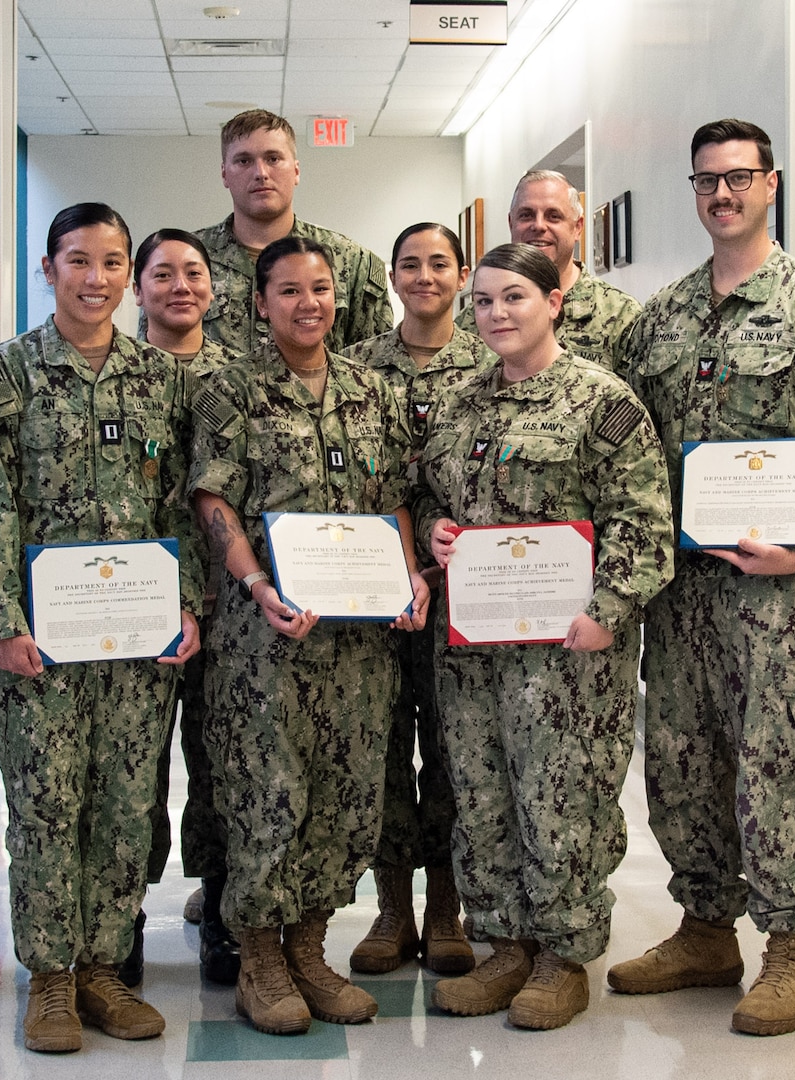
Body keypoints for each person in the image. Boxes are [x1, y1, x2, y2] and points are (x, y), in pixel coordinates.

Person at [608, 120, 795, 1037]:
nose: (722, 195)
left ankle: (791, 952)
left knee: (778, 755)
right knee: (683, 755)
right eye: (706, 182)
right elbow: (631, 452)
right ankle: (705, 927)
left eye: (738, 178)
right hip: (684, 587)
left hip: (779, 591)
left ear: (770, 183)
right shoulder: (663, 319)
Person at [0, 203, 205, 1053]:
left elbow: (181, 505)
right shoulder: (2, 376)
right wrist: (1, 623)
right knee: (49, 807)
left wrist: (187, 605)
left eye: (111, 263)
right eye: (78, 261)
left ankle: (101, 966)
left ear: (128, 275)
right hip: (40, 643)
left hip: (138, 643)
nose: (95, 279)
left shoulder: (163, 381)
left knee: (128, 806)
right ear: (49, 269)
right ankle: (51, 979)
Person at [416, 243, 674, 1031]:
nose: (496, 313)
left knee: (560, 797)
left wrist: (610, 608)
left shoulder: (601, 403)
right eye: (485, 300)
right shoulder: (460, 404)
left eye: (515, 298)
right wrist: (436, 535)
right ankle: (505, 944)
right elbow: (426, 496)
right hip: (472, 652)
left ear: (555, 301)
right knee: (484, 796)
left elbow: (645, 521)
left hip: (567, 654)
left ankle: (564, 953)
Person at [188, 235, 429, 1036]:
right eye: (287, 291)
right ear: (260, 303)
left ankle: (310, 948)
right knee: (268, 795)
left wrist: (408, 577)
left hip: (358, 643)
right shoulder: (231, 390)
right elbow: (213, 502)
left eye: (320, 288)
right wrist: (255, 584)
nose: (307, 303)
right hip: (267, 641)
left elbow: (394, 499)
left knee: (348, 795)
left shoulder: (370, 389)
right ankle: (261, 959)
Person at [345, 223, 494, 976]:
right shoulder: (356, 367)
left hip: (463, 592)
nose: (425, 275)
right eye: (410, 263)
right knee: (379, 753)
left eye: (440, 262)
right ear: (392, 276)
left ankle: (446, 908)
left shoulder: (490, 363)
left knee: (451, 752)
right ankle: (391, 908)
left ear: (462, 274)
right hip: (371, 595)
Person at [129, 228, 242, 987]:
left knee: (223, 761)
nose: (180, 285)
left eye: (193, 272)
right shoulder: (114, 372)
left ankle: (222, 909)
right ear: (137, 287)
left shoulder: (243, 379)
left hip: (227, 605)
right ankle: (120, 913)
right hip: (128, 605)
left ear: (213, 287)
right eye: (161, 273)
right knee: (131, 769)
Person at [184, 109, 393, 354]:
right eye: (244, 161)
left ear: (296, 171)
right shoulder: (188, 260)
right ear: (224, 174)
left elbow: (374, 362)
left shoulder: (350, 260)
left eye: (273, 159)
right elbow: (154, 361)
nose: (260, 173)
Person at [456, 170, 640, 372]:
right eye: (526, 215)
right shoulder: (473, 320)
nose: (539, 226)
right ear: (511, 224)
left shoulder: (621, 315)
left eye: (553, 216)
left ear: (577, 227)